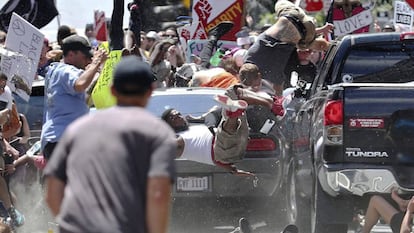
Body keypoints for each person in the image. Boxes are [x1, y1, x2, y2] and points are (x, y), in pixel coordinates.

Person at [44, 55, 177, 233]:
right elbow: (158, 194)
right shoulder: (158, 133)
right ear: (150, 91)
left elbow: (53, 193)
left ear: (113, 90)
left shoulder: (77, 129)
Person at [162, 63, 275, 176]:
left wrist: (233, 170)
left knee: (233, 92)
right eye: (173, 117)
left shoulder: (192, 128)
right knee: (224, 131)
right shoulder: (177, 141)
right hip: (223, 146)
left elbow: (216, 159)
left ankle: (253, 106)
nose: (178, 116)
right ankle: (236, 111)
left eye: (178, 114)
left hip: (232, 147)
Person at [40, 35, 108, 161]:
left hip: (58, 139)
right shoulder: (66, 70)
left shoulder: (56, 71)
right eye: (86, 57)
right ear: (71, 55)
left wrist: (98, 70)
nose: (89, 60)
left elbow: (85, 93)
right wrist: (96, 62)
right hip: (63, 138)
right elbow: (80, 84)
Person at [245, 0, 330, 97]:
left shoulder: (270, 69)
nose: (257, 87)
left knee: (302, 43)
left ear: (259, 76)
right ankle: (331, 45)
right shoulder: (249, 57)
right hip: (296, 20)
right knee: (301, 42)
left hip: (305, 28)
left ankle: (331, 45)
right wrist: (322, 29)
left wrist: (278, 102)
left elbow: (278, 87)